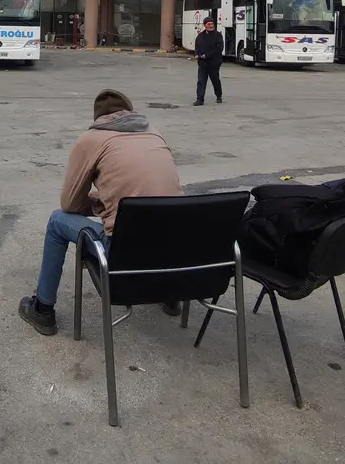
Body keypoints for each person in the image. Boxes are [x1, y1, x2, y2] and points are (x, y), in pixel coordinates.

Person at [19, 89, 184, 335]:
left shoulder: (91, 140)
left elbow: (69, 204)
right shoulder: (155, 134)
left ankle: (43, 308)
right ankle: (170, 296)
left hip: (124, 253)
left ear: (98, 118)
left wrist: (99, 204)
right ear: (130, 111)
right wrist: (107, 201)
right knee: (159, 215)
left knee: (56, 221)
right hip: (178, 252)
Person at [193, 17, 224, 106]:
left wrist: (207, 55)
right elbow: (197, 46)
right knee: (201, 81)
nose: (211, 26)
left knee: (215, 80)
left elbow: (219, 48)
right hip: (203, 63)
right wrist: (196, 54)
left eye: (212, 24)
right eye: (209, 24)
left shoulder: (218, 35)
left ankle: (219, 96)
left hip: (214, 62)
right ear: (205, 25)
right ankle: (200, 99)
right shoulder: (200, 36)